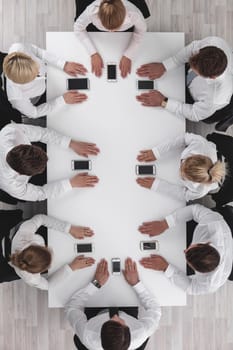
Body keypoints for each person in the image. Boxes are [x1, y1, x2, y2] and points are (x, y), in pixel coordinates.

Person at [65, 258, 161, 350]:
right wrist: (136, 283)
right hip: (127, 309)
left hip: (96, 311)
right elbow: (154, 308)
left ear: (101, 333)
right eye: (119, 321)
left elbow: (72, 306)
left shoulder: (88, 335)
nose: (115, 315)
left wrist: (96, 284)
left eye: (110, 321)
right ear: (128, 330)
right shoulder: (141, 332)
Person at [139, 204, 233, 295]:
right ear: (207, 243)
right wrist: (165, 224)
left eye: (188, 261)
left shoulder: (210, 283)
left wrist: (166, 268)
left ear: (200, 272)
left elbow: (191, 288)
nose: (184, 251)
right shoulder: (214, 224)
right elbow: (194, 210)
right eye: (189, 249)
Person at [136, 36, 233, 123]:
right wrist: (164, 66)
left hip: (201, 106)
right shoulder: (213, 42)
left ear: (212, 77)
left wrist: (163, 101)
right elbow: (190, 51)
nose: (190, 65)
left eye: (196, 71)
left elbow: (194, 114)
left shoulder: (215, 98)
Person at [0, 123, 99, 201]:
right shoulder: (12, 185)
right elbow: (41, 193)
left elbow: (42, 133)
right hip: (31, 182)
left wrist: (70, 143)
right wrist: (71, 184)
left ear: (23, 145)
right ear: (21, 174)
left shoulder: (10, 133)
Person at [0, 213, 95, 290]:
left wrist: (69, 228)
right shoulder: (30, 278)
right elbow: (48, 285)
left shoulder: (25, 233)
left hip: (10, 238)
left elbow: (40, 218)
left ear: (34, 245)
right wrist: (71, 267)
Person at [3, 42, 88, 118]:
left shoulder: (19, 48)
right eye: (34, 76)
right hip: (37, 97)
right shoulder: (17, 98)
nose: (39, 72)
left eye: (36, 67)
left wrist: (63, 64)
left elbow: (37, 52)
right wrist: (62, 100)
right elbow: (34, 113)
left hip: (50, 81)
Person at [136, 132, 225, 202]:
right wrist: (157, 151)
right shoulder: (200, 144)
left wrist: (157, 185)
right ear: (194, 155)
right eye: (183, 162)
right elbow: (184, 138)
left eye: (183, 177)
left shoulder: (200, 190)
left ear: (194, 181)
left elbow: (184, 195)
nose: (179, 170)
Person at [74, 0, 147, 78]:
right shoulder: (91, 11)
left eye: (116, 28)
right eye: (107, 28)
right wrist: (93, 53)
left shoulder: (133, 13)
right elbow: (78, 27)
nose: (112, 32)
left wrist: (129, 54)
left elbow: (141, 30)